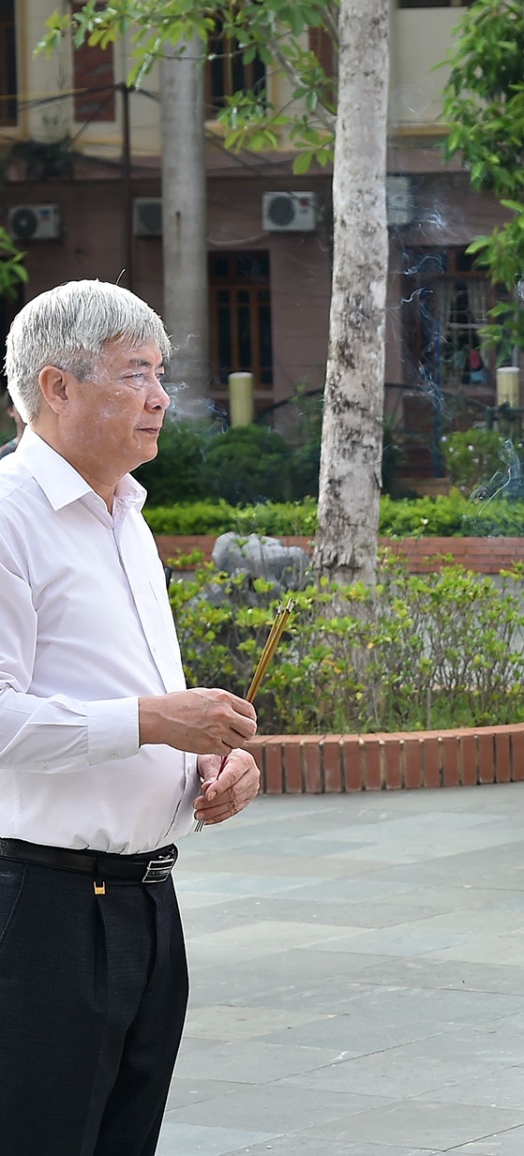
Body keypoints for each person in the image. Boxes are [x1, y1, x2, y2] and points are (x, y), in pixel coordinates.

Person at [0, 280, 263, 1156]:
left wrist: (207, 768)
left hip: (146, 896)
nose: (160, 396)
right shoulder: (9, 514)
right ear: (57, 387)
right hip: (38, 903)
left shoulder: (128, 518)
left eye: (162, 373)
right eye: (134, 373)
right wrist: (152, 722)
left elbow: (126, 700)